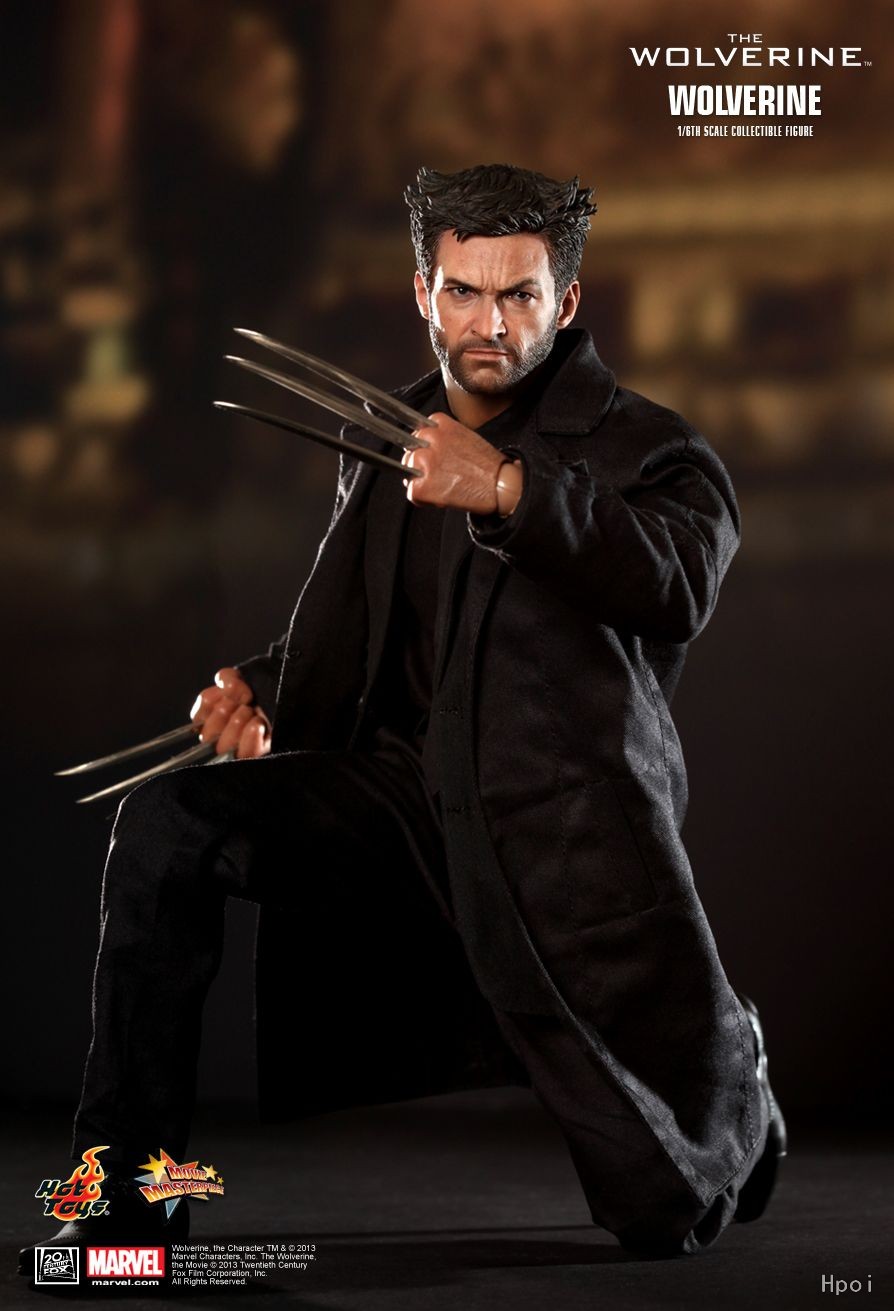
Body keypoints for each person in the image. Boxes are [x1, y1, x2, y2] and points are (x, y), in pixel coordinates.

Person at [22, 163, 784, 1270]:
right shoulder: (388, 441)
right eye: (463, 291)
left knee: (664, 1215)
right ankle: (125, 1203)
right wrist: (267, 691)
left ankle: (736, 1068)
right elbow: (381, 630)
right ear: (422, 293)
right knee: (167, 827)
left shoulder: (651, 450)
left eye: (519, 294)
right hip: (403, 800)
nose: (490, 323)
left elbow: (677, 582)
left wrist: (511, 491)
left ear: (567, 301)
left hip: (558, 835)